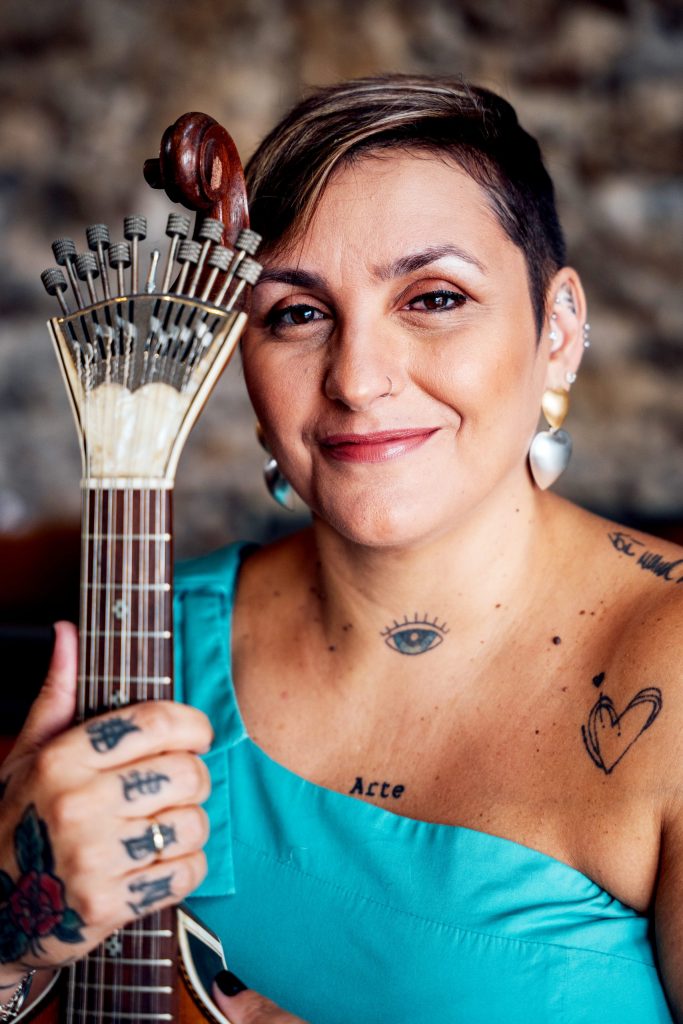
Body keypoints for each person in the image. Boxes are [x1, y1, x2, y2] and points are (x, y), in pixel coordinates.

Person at [1, 74, 682, 1023]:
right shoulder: (135, 646)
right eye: (296, 313)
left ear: (557, 329)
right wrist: (14, 932)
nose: (357, 380)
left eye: (433, 297)